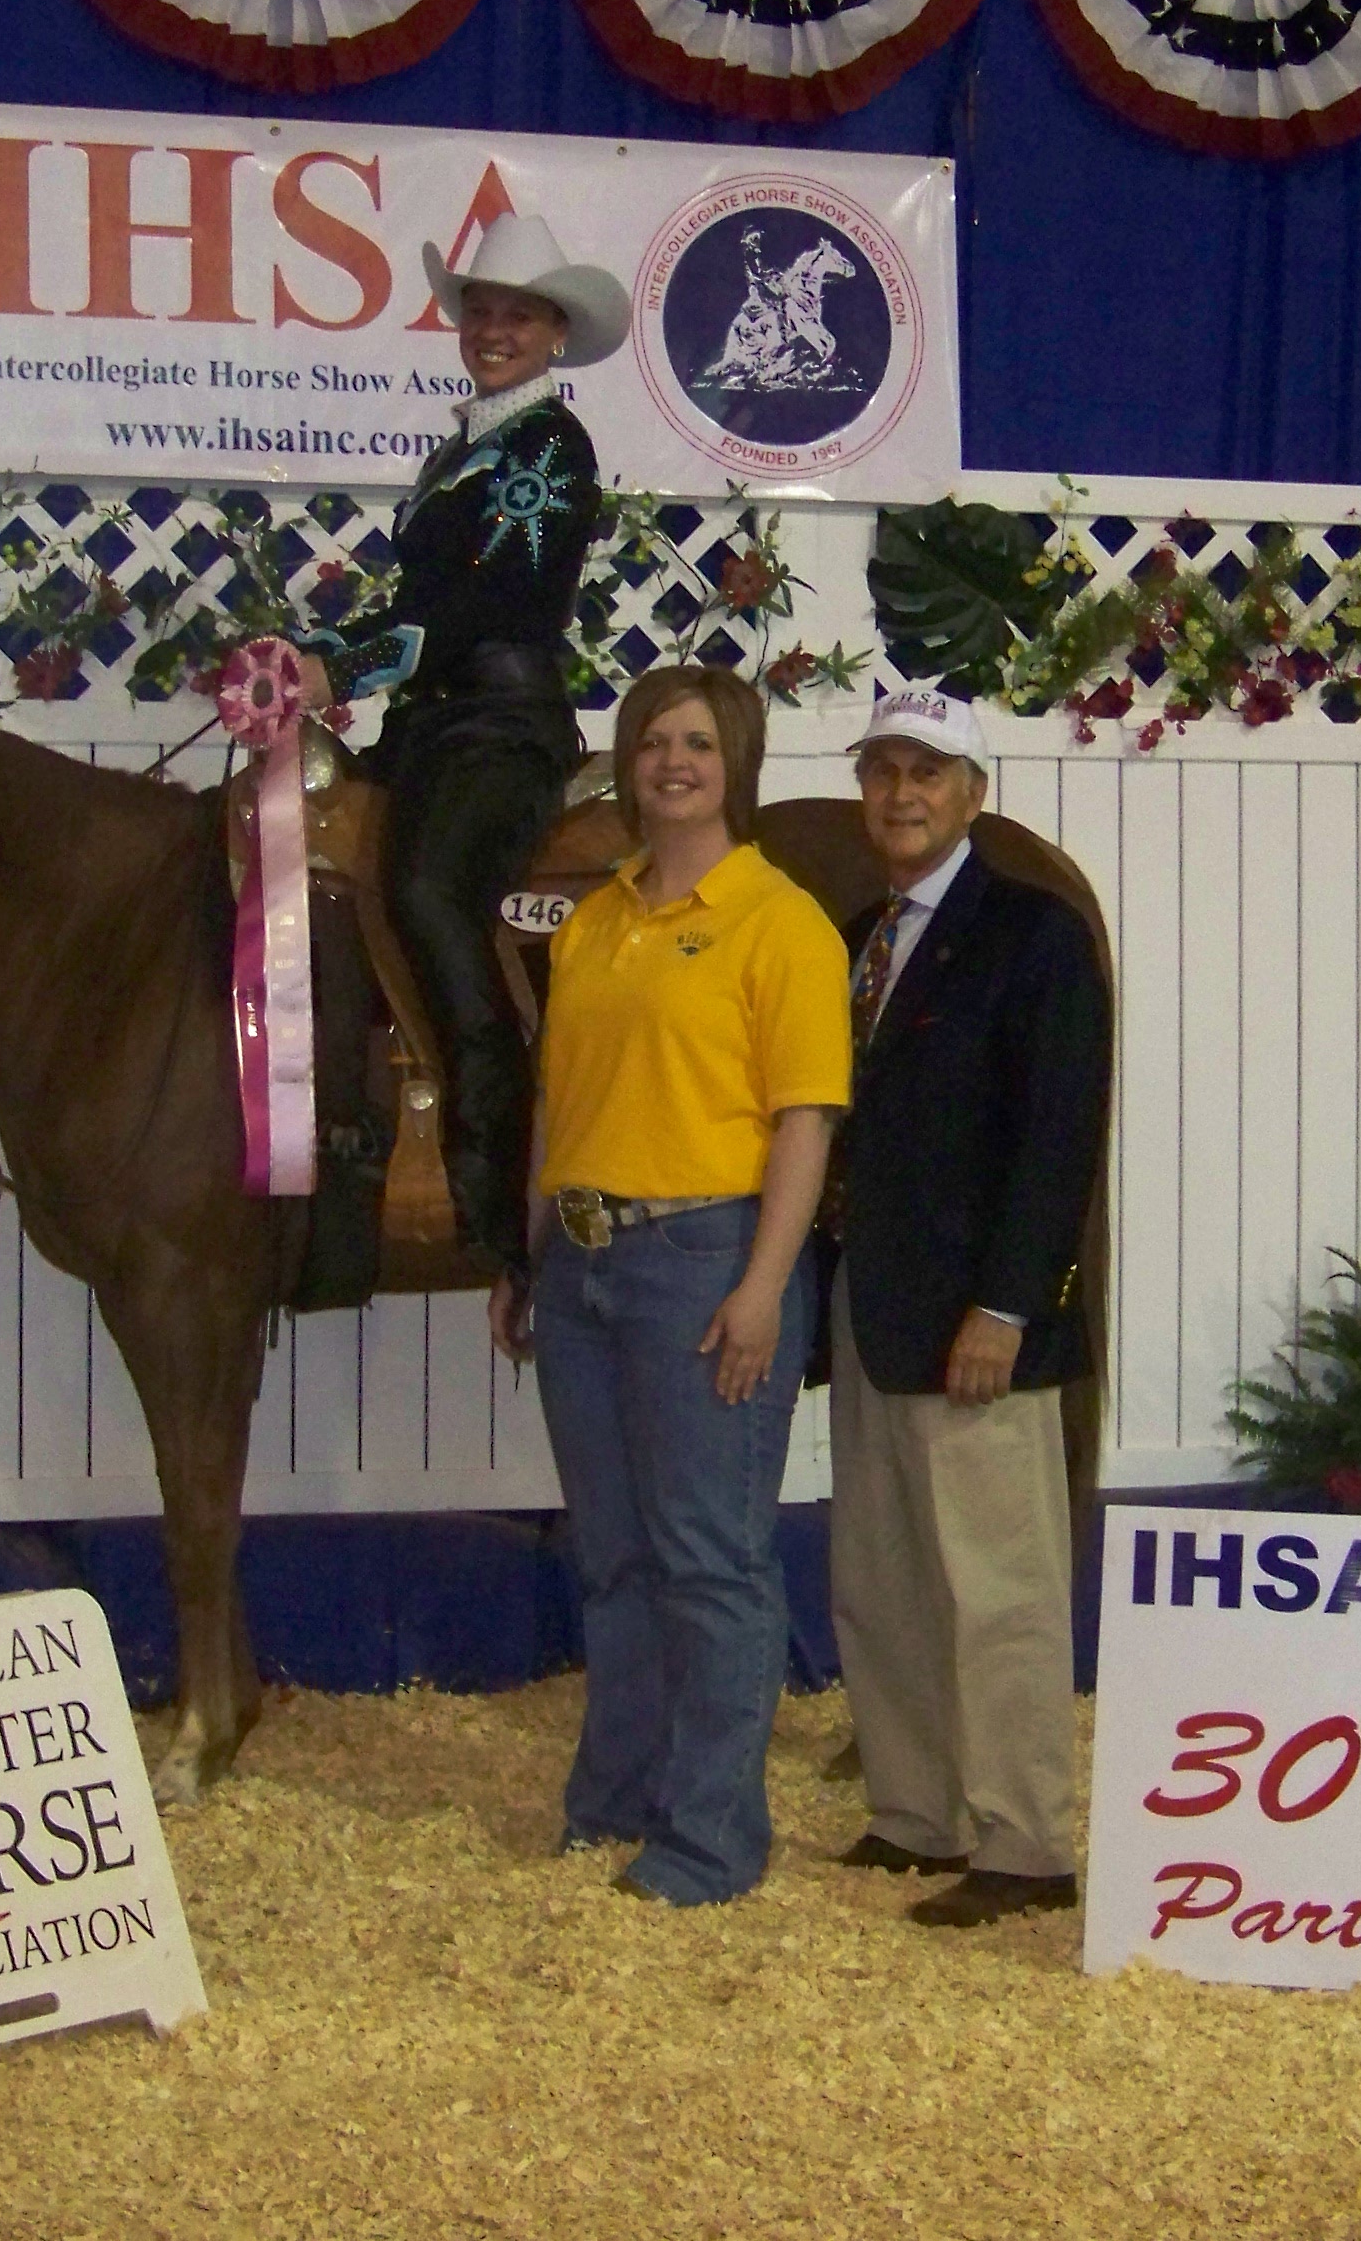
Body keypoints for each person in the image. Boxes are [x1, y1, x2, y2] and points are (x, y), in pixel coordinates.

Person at [490, 665, 850, 1907]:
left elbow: (805, 1123)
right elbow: (559, 1103)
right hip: (583, 1261)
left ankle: (709, 1842)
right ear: (628, 762)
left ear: (735, 764)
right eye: (653, 741)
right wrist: (526, 1253)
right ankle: (614, 1806)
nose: (673, 762)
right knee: (616, 1557)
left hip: (705, 1259)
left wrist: (764, 1288)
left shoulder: (780, 922)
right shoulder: (592, 922)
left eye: (698, 742)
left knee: (709, 1559)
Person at [821, 690, 1111, 1928]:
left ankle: (1028, 1843)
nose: (900, 793)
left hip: (982, 1330)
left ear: (974, 795)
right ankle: (918, 1812)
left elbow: (1058, 1142)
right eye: (883, 770)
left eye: (927, 773)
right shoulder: (855, 935)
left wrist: (1008, 1305)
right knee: (883, 1580)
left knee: (1001, 1589)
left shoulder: (1035, 937)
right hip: (877, 1312)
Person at [297, 211, 630, 1275]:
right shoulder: (468, 444)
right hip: (435, 720)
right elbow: (433, 597)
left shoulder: (550, 449)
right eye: (481, 310)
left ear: (553, 333)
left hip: (498, 722)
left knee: (433, 889)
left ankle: (496, 1156)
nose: (494, 328)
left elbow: (489, 600)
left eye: (516, 314)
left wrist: (340, 664)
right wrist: (325, 659)